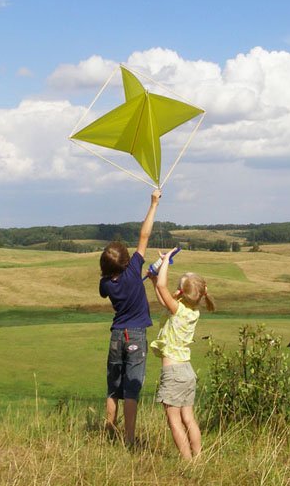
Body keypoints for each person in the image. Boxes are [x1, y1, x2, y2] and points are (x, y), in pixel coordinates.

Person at [99, 188, 162, 446]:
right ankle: (129, 440)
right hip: (135, 335)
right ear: (128, 262)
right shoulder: (134, 269)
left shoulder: (106, 284)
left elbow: (111, 281)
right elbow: (144, 234)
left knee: (113, 389)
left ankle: (109, 432)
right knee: (131, 391)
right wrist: (154, 203)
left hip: (116, 336)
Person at [148, 251, 215, 461]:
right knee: (189, 418)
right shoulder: (191, 312)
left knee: (174, 420)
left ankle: (187, 462)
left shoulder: (178, 310)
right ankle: (198, 457)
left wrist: (165, 262)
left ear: (180, 292)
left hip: (173, 372)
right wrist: (154, 278)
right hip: (186, 371)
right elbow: (163, 297)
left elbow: (162, 288)